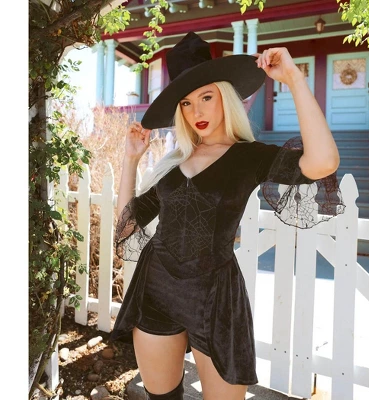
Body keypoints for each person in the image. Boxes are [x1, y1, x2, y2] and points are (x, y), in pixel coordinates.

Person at [109, 32, 344, 400]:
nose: (196, 112)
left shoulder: (249, 156)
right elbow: (127, 223)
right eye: (186, 103)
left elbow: (323, 162)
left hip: (215, 299)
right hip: (156, 291)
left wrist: (295, 79)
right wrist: (131, 159)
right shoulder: (174, 164)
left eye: (206, 97)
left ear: (225, 96)